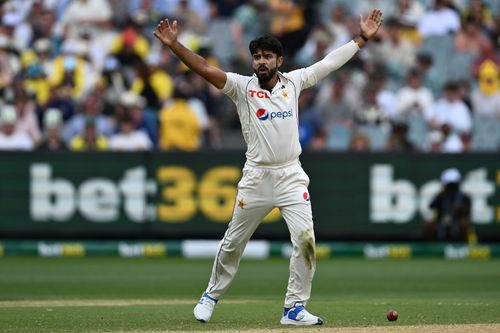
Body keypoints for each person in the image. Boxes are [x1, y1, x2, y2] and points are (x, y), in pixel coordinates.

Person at [153, 8, 383, 326]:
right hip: (257, 177)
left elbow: (329, 63)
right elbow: (205, 68)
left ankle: (294, 308)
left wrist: (361, 39)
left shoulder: (295, 82)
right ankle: (211, 296)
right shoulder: (242, 88)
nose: (261, 61)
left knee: (305, 240)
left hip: (290, 175)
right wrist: (174, 46)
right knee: (234, 242)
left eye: (267, 56)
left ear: (279, 61)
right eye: (257, 56)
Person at [424, 168, 472, 242]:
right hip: (441, 222)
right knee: (429, 224)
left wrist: (460, 209)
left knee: (464, 224)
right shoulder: (441, 196)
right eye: (449, 185)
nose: (451, 188)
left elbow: (467, 213)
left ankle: (463, 245)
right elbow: (431, 206)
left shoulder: (464, 197)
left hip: (457, 222)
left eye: (453, 185)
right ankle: (431, 247)